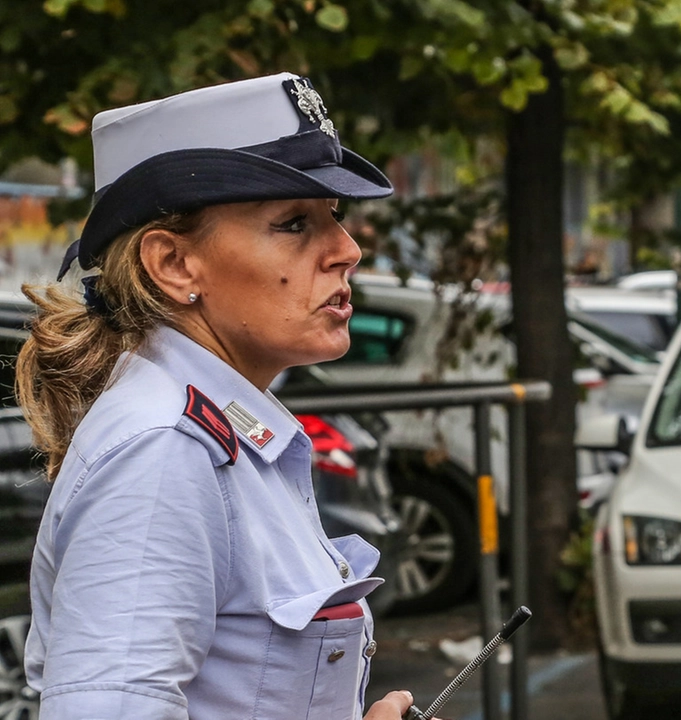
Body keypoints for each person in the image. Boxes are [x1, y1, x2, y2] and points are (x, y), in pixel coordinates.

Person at [18, 74, 427, 720]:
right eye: (294, 223)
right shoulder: (163, 452)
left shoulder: (218, 430)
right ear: (175, 264)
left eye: (334, 218)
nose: (346, 250)